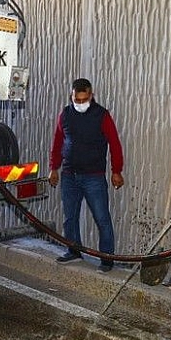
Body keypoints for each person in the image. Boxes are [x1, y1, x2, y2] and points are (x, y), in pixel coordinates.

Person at [48, 78, 125, 273]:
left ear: (91, 96)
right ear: (71, 96)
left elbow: (115, 144)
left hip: (94, 176)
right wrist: (53, 168)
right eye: (77, 100)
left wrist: (117, 171)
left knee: (102, 218)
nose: (80, 103)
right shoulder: (65, 114)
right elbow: (58, 142)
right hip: (69, 175)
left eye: (84, 99)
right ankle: (74, 250)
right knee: (70, 217)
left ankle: (107, 258)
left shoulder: (102, 115)